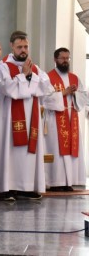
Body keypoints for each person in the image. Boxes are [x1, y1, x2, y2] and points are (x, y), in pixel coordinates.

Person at [0, 31, 63, 200]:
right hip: (9, 118)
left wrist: (29, 76)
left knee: (28, 151)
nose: (23, 50)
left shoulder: (34, 67)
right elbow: (8, 89)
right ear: (12, 47)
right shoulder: (3, 67)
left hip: (32, 117)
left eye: (26, 47)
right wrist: (25, 76)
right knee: (10, 150)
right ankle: (8, 187)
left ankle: (27, 186)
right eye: (19, 47)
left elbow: (46, 88)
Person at [44, 47, 87, 191]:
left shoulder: (74, 77)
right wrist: (64, 92)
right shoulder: (47, 77)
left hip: (71, 117)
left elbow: (84, 95)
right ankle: (56, 182)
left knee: (71, 150)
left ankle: (69, 181)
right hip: (55, 119)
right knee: (56, 150)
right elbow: (44, 98)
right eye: (62, 58)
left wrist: (75, 94)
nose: (65, 61)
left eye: (67, 58)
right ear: (55, 59)